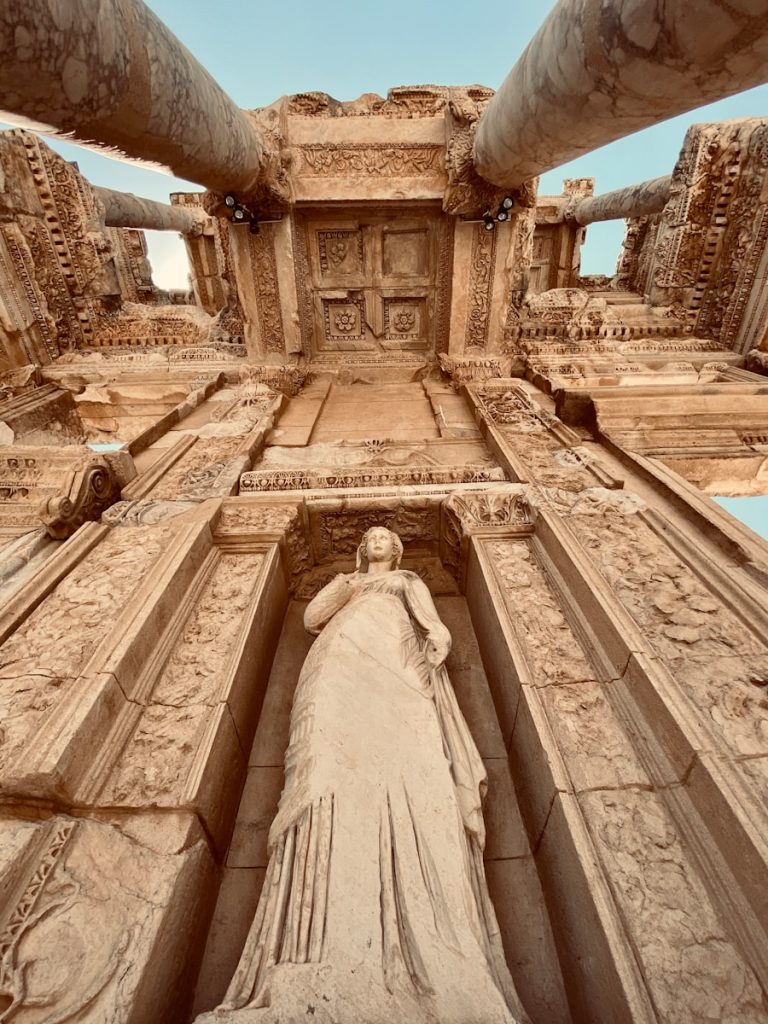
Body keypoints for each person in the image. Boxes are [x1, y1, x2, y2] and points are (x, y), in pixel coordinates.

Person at [211, 526, 527, 1024]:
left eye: (386, 536)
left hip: (396, 666)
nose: (378, 539)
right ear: (362, 549)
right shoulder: (351, 584)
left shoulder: (404, 581)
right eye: (372, 536)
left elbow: (433, 624)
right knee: (322, 775)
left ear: (397, 550)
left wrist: (439, 643)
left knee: (412, 771)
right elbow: (313, 618)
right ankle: (316, 947)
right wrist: (345, 581)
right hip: (337, 666)